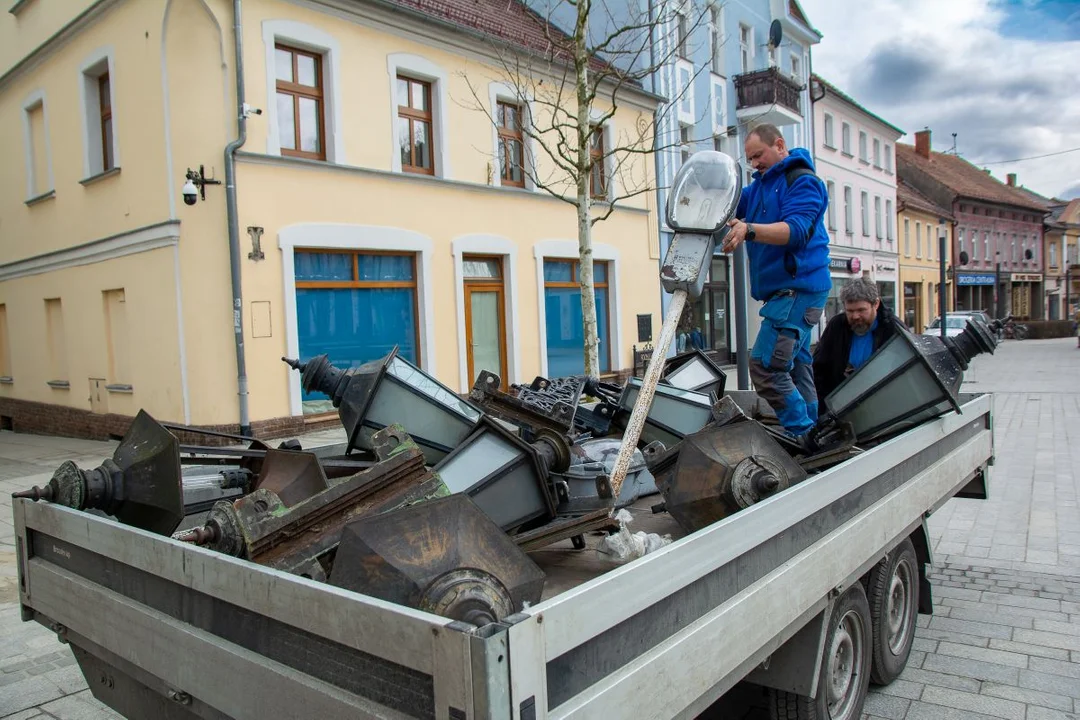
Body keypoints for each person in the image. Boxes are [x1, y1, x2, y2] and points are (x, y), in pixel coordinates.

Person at [721, 123, 832, 441]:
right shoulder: (756, 190)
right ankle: (813, 426)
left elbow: (796, 231)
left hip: (800, 289)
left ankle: (803, 435)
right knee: (796, 365)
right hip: (786, 293)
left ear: (780, 145)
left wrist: (749, 229)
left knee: (766, 366)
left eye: (758, 155)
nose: (754, 164)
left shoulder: (803, 182)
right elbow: (725, 205)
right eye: (749, 159)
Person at [812, 278, 904, 409]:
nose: (855, 316)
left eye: (861, 310)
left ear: (876, 304)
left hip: (883, 407)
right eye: (850, 311)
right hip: (839, 407)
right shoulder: (837, 326)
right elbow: (818, 369)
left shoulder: (893, 329)